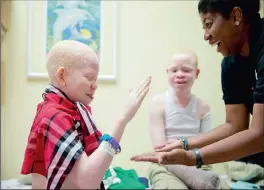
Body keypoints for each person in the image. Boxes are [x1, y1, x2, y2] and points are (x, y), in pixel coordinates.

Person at [131, 0, 264, 169]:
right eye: (204, 27)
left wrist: (193, 157)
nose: (206, 35)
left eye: (209, 24)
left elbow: (259, 135)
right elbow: (235, 126)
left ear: (236, 16)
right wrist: (184, 144)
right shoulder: (231, 64)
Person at [21, 40, 151, 189]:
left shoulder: (75, 110)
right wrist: (123, 119)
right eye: (89, 77)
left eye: (95, 79)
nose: (95, 85)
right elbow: (88, 181)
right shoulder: (54, 116)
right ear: (62, 76)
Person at [148, 51, 221, 189]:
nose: (180, 74)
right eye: (174, 70)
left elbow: (207, 145)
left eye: (186, 70)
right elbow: (160, 148)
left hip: (197, 163)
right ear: (168, 72)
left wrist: (181, 147)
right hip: (165, 165)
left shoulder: (203, 107)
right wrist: (183, 148)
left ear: (197, 73)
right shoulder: (158, 103)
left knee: (209, 182)